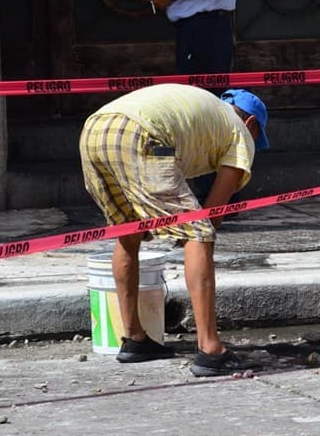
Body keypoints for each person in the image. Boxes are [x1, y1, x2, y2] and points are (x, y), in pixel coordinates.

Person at [79, 83, 270, 377]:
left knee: (128, 233)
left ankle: (135, 339)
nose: (255, 144)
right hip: (139, 132)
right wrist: (192, 236)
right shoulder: (240, 132)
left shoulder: (206, 111)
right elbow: (214, 212)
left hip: (95, 129)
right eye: (259, 137)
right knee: (200, 232)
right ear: (251, 123)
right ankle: (210, 349)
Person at [135, 0, 238, 204]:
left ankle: (216, 199)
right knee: (200, 111)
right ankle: (211, 195)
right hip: (197, 29)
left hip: (204, 30)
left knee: (204, 112)